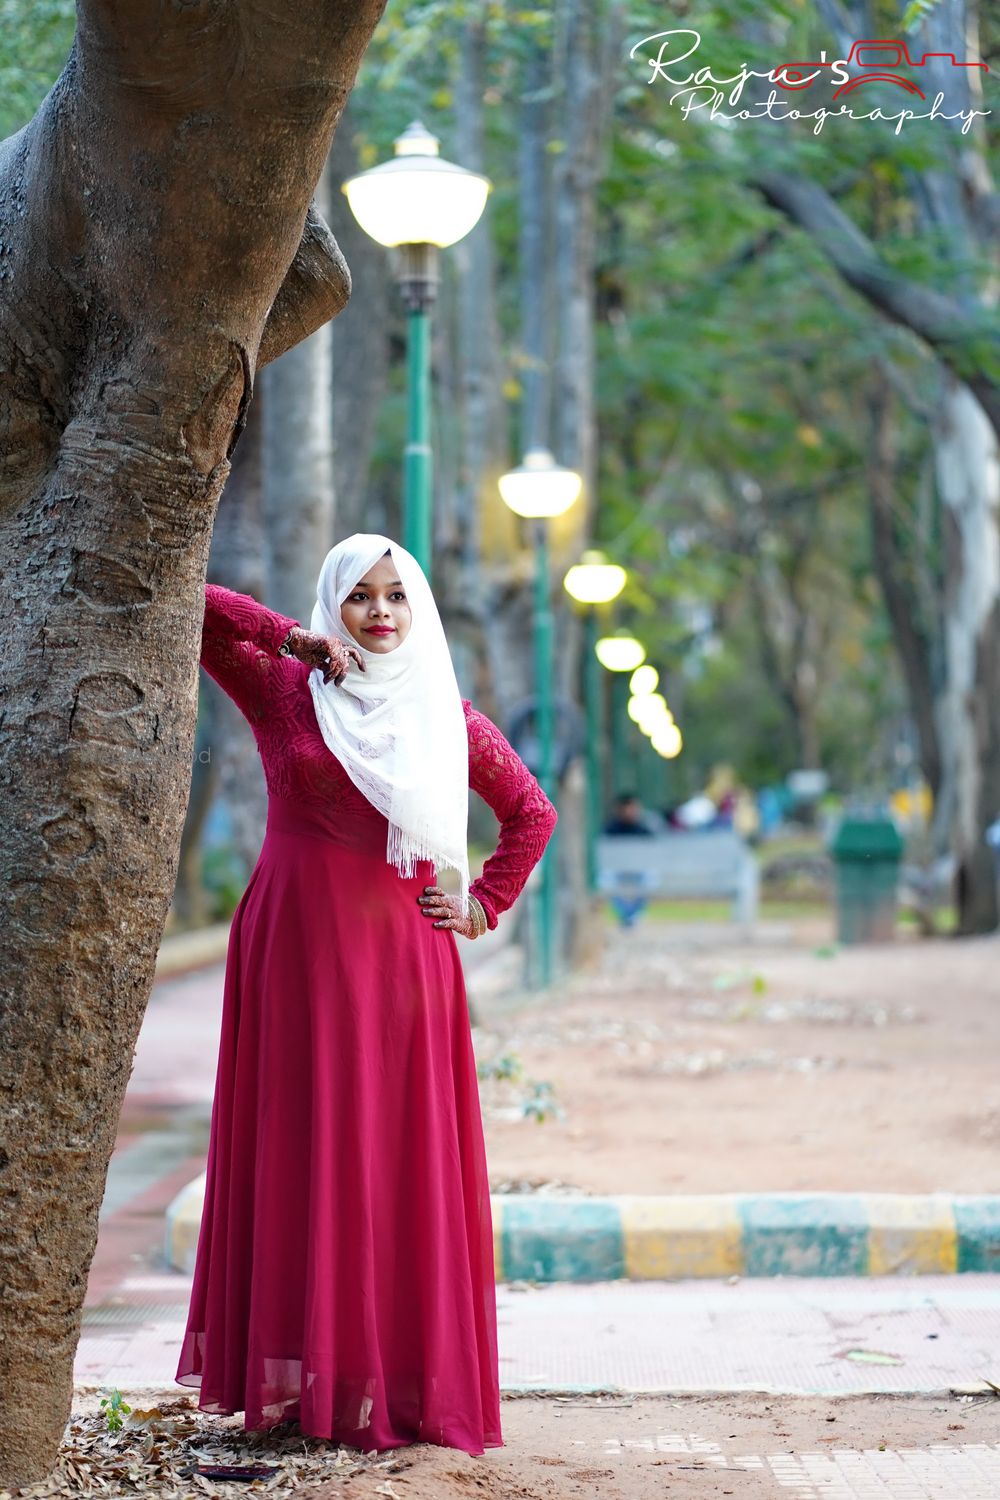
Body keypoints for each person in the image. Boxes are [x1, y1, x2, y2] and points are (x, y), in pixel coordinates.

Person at [174, 534, 558, 1457]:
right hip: (295, 951)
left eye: (395, 596)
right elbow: (193, 606)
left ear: (417, 611)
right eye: (358, 596)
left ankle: (395, 1384)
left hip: (400, 963)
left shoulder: (445, 718)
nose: (379, 612)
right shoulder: (282, 692)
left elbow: (531, 813)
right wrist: (292, 642)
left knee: (388, 1155)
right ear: (332, 606)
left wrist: (482, 903)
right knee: (302, 1146)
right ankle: (306, 1384)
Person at [601, 792, 656, 927]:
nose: (630, 811)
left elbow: (651, 854)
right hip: (617, 870)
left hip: (638, 870)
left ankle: (630, 916)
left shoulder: (643, 828)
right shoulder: (611, 828)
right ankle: (630, 916)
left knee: (650, 880)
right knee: (605, 881)